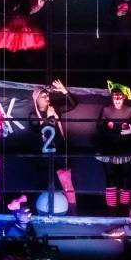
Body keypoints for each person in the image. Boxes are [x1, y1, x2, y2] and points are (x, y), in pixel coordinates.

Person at [30, 79, 78, 213]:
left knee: (67, 184)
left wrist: (64, 91)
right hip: (46, 156)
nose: (47, 98)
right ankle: (47, 213)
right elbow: (39, 133)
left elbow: (73, 105)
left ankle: (74, 214)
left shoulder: (55, 109)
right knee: (48, 185)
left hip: (61, 152)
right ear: (36, 100)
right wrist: (50, 119)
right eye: (43, 96)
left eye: (48, 95)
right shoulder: (34, 115)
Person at [96, 81, 131, 215]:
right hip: (109, 147)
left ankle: (124, 207)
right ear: (111, 97)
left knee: (126, 177)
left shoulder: (130, 110)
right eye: (114, 96)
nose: (117, 99)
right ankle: (111, 208)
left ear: (124, 97)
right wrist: (107, 131)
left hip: (126, 146)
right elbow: (98, 127)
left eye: (119, 96)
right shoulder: (105, 110)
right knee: (110, 177)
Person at [0, 195, 36, 260]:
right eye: (25, 212)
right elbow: (7, 248)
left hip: (22, 257)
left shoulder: (29, 228)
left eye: (29, 212)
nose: (29, 214)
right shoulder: (12, 230)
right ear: (18, 215)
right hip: (15, 257)